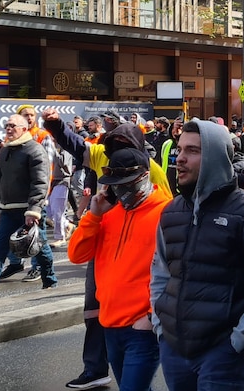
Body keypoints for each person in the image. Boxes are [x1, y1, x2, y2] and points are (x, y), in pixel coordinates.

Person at [151, 119, 244, 391]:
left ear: (215, 157)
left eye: (193, 151)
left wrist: (241, 339)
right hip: (175, 348)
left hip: (223, 352)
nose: (180, 159)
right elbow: (160, 273)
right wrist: (160, 326)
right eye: (180, 150)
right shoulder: (171, 212)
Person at [68, 148, 172, 391]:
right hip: (110, 324)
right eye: (115, 184)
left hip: (142, 328)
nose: (120, 190)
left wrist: (150, 316)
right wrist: (93, 215)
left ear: (145, 177)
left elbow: (178, 270)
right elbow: (76, 254)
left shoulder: (166, 212)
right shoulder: (107, 213)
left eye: (125, 184)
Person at [0, 114, 56, 301]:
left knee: (39, 248)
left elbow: (40, 182)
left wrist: (34, 210)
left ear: (24, 129)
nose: (8, 128)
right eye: (7, 125)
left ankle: (50, 280)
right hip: (8, 210)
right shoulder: (5, 150)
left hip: (29, 210)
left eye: (13, 125)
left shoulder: (35, 150)